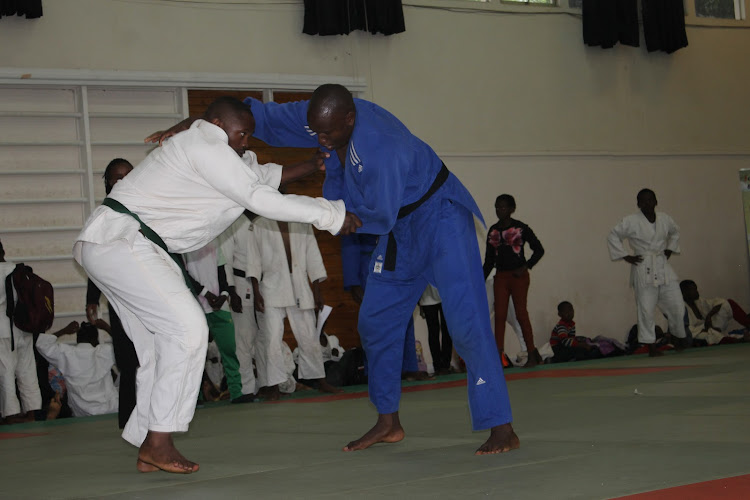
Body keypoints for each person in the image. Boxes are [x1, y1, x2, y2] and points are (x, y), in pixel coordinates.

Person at [228, 84, 518, 454]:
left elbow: (374, 217)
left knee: (467, 323)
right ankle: (388, 421)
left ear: (350, 118)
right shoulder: (326, 118)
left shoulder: (383, 146)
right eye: (316, 129)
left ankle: (502, 426)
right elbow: (261, 117)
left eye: (329, 133)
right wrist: (205, 126)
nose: (321, 138)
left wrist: (326, 214)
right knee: (376, 321)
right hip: (400, 227)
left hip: (440, 218)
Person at [76, 96, 355, 474]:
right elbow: (258, 196)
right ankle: (159, 441)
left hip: (115, 244)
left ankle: (149, 442)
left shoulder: (218, 153)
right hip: (125, 242)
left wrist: (309, 164)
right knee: (189, 328)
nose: (246, 143)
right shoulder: (204, 144)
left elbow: (260, 176)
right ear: (220, 126)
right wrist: (331, 214)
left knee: (159, 347)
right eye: (242, 135)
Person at [247, 216, 342, 400]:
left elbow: (312, 256)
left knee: (309, 335)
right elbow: (253, 260)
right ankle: (274, 385)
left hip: (299, 285)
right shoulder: (259, 225)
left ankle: (320, 380)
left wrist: (317, 290)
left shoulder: (300, 221)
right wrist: (256, 290)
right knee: (272, 339)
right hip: (271, 286)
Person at [86, 158, 139, 429]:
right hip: (119, 297)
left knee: (152, 359)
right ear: (107, 181)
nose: (121, 180)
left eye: (127, 175)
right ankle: (129, 420)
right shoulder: (103, 215)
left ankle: (156, 419)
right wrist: (91, 298)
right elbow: (95, 256)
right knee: (128, 360)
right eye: (116, 177)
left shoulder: (146, 207)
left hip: (149, 293)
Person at [608, 189, 688, 357]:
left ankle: (677, 336)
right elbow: (613, 235)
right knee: (646, 309)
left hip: (662, 265)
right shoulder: (631, 221)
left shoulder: (665, 219)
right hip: (643, 266)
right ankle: (651, 346)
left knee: (677, 305)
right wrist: (625, 256)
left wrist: (670, 249)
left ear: (656, 201)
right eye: (643, 201)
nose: (647, 203)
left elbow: (675, 232)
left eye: (650, 200)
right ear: (638, 204)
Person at [342, 233, 429, 381]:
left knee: (404, 315)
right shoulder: (357, 209)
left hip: (398, 264)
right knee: (375, 322)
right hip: (368, 265)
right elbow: (349, 240)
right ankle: (377, 371)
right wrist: (353, 282)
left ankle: (409, 368)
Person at [184, 236, 254, 404]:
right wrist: (205, 293)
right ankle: (196, 398)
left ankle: (236, 391)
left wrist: (223, 295)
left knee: (229, 349)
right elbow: (184, 275)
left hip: (219, 304)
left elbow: (222, 272)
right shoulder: (183, 243)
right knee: (194, 353)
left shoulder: (213, 241)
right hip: (195, 305)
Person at [482, 194, 545, 368]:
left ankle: (532, 352)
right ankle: (498, 354)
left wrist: (525, 266)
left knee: (520, 314)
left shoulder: (521, 228)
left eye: (503, 207)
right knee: (500, 315)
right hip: (501, 277)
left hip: (518, 276)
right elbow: (488, 260)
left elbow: (539, 250)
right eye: (496, 207)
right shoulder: (493, 231)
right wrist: (480, 280)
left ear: (512, 209)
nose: (499, 210)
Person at [35, 321, 119, 417]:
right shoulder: (104, 351)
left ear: (77, 339)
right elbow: (128, 346)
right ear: (95, 340)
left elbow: (41, 344)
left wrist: (64, 331)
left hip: (81, 415)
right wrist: (106, 327)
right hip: (110, 411)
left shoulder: (67, 354)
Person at [0, 239, 43, 424]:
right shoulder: (18, 270)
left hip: (2, 331)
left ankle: (11, 414)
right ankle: (33, 411)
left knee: (6, 371)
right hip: (24, 329)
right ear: (3, 251)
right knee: (27, 371)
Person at [219, 211, 260, 398]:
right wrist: (231, 290)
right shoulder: (233, 222)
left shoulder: (264, 221)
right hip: (240, 284)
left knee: (262, 338)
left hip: (263, 284)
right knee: (243, 338)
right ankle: (246, 388)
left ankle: (266, 383)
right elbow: (226, 260)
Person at [679, 280, 749, 346]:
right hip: (698, 333)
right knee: (711, 335)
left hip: (711, 326)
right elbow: (687, 330)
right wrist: (707, 329)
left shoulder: (698, 301)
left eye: (696, 289)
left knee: (728, 304)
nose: (697, 292)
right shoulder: (681, 309)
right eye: (693, 290)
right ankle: (739, 340)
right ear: (684, 292)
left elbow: (720, 302)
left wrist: (709, 315)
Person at [419, 285, 453, 375]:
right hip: (427, 294)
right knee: (433, 331)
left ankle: (445, 365)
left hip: (445, 293)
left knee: (447, 330)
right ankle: (437, 366)